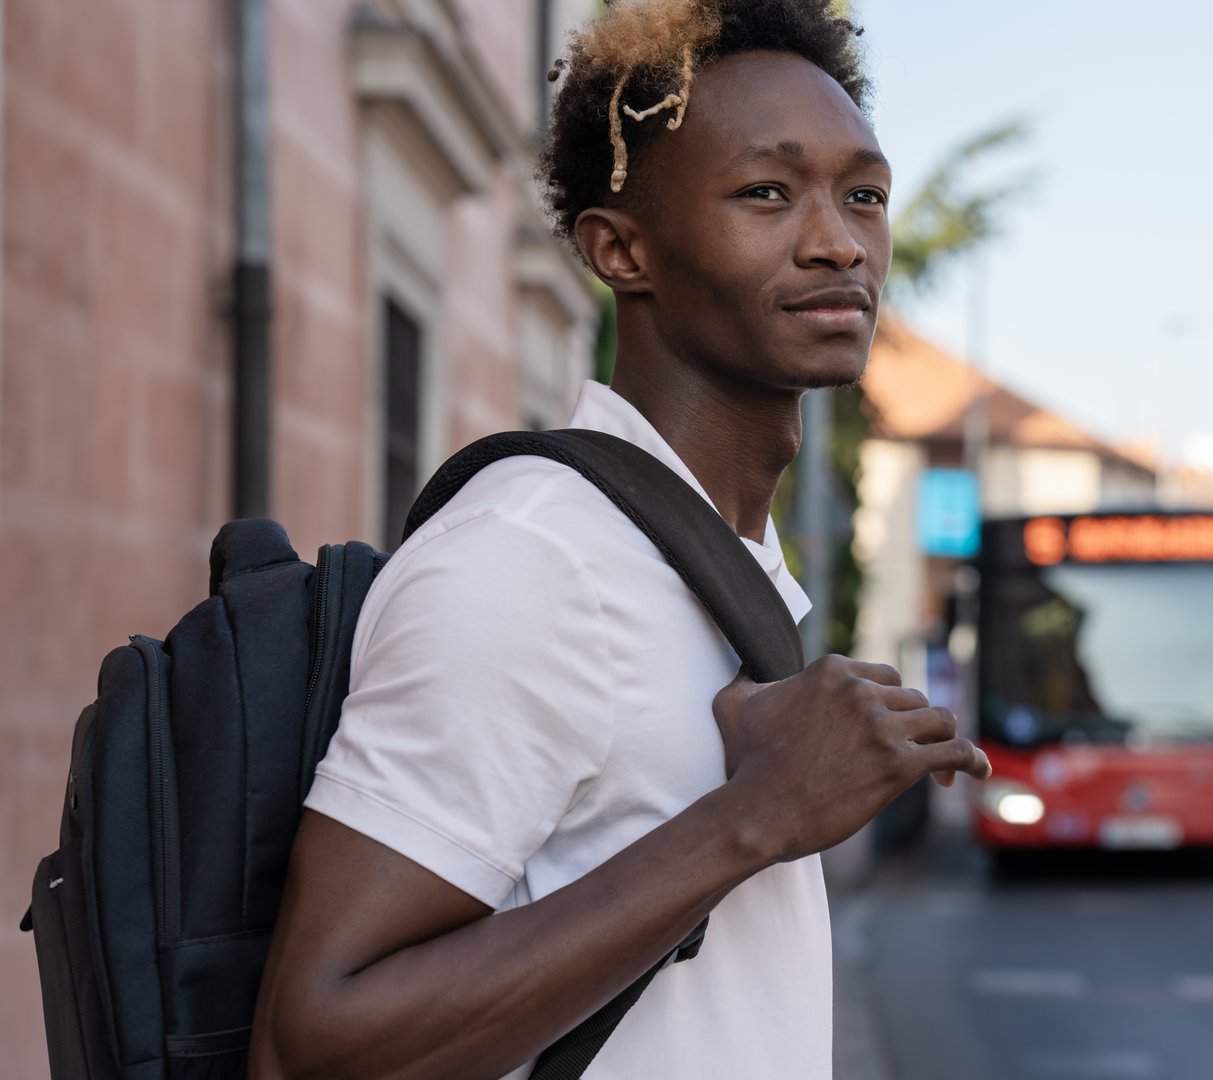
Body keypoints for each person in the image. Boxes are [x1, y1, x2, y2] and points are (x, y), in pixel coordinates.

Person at [248, 2, 990, 1077]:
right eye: (767, 193)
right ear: (619, 249)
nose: (839, 243)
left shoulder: (711, 564)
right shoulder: (533, 560)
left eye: (863, 195)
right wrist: (757, 816)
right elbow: (313, 1042)